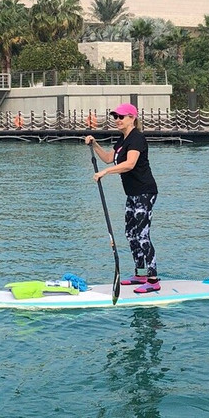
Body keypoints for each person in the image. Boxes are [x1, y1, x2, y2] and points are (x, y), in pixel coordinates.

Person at [84, 103, 160, 294]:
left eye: (121, 117)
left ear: (132, 118)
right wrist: (95, 144)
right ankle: (140, 274)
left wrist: (106, 173)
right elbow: (110, 158)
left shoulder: (137, 138)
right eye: (115, 117)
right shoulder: (122, 139)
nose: (117, 120)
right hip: (132, 194)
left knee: (143, 235)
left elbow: (130, 164)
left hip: (145, 192)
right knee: (130, 234)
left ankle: (153, 279)